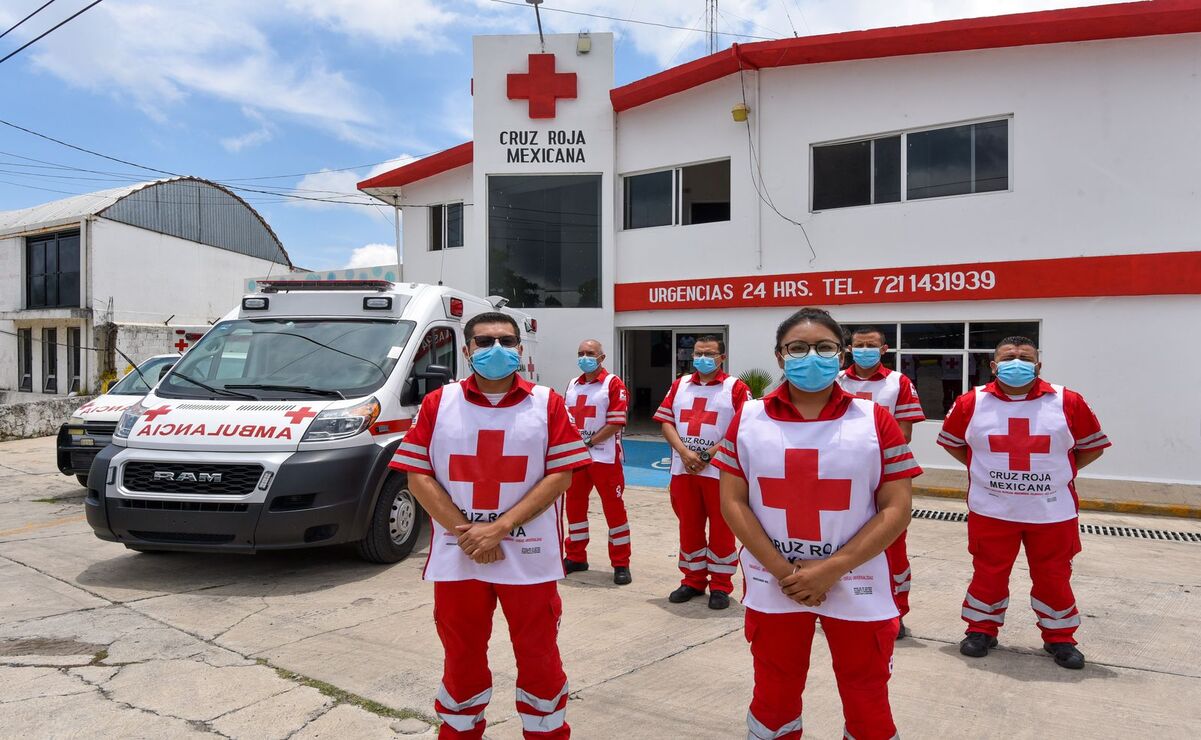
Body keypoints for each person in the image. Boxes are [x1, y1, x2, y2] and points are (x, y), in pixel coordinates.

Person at [715, 308, 919, 739]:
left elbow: (896, 507)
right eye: (799, 348)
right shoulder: (748, 417)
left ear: (841, 355)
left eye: (825, 347)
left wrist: (832, 568)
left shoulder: (873, 419)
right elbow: (733, 502)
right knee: (774, 693)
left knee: (868, 697)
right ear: (779, 356)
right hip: (776, 582)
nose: (812, 356)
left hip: (856, 577)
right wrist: (785, 572)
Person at [390, 311, 591, 738]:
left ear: (520, 349)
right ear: (466, 351)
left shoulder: (547, 402)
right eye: (484, 342)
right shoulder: (438, 403)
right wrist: (472, 534)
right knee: (461, 663)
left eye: (505, 340)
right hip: (460, 560)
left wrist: (498, 529)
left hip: (529, 558)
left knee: (540, 662)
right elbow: (417, 475)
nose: (495, 349)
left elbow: (561, 475)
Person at [939, 335, 1110, 670]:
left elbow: (1092, 447)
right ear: (992, 366)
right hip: (991, 510)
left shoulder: (1067, 401)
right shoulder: (970, 403)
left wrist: (1060, 473)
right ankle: (980, 630)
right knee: (988, 573)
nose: (1015, 361)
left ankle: (1060, 637)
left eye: (1024, 356)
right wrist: (986, 470)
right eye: (1007, 356)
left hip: (1052, 512)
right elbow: (954, 443)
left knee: (1054, 576)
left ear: (1038, 365)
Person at [838, 326, 926, 638]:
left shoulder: (897, 382)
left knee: (891, 547)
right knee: (841, 541)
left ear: (884, 349)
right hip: (841, 477)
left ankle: (895, 611)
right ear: (849, 348)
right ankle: (843, 605)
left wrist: (865, 453)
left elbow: (904, 434)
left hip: (885, 477)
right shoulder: (835, 380)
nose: (864, 350)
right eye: (858, 345)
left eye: (871, 345)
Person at [653, 334, 751, 609]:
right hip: (684, 470)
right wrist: (685, 453)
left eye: (709, 354)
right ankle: (692, 580)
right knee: (689, 526)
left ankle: (721, 585)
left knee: (722, 529)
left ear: (722, 357)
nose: (702, 359)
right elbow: (666, 422)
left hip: (721, 473)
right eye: (697, 353)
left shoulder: (735, 388)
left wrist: (708, 454)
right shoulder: (679, 385)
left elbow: (741, 427)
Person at [563, 339, 633, 585]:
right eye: (581, 353)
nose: (585, 357)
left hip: (605, 458)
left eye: (590, 353)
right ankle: (575, 556)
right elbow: (565, 418)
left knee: (614, 511)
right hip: (577, 459)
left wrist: (588, 442)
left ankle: (621, 563)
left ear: (601, 357)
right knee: (574, 508)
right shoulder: (573, 384)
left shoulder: (613, 384)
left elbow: (615, 422)